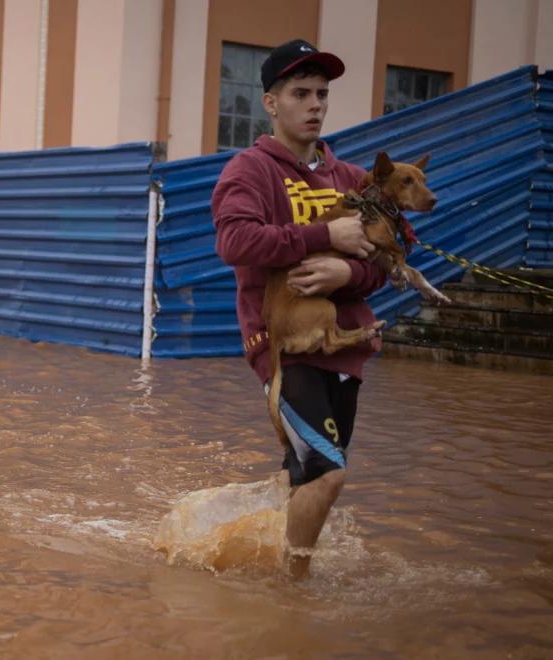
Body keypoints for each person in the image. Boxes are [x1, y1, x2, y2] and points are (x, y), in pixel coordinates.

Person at [211, 39, 386, 579]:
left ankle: (236, 545)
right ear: (270, 102)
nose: (314, 105)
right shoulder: (250, 170)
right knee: (328, 476)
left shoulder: (354, 179)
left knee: (305, 473)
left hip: (346, 349)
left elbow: (388, 259)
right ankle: (292, 593)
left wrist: (348, 272)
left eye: (322, 94)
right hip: (284, 349)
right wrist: (323, 235)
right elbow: (236, 242)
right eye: (300, 93)